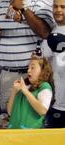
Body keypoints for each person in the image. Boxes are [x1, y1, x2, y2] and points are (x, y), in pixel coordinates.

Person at [0, 0, 54, 112]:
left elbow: (45, 32)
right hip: (7, 74)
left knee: (32, 114)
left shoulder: (39, 3)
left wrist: (23, 9)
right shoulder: (1, 4)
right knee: (8, 115)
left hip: (32, 74)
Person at [7, 55, 53, 129]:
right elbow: (10, 112)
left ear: (43, 70)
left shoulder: (45, 87)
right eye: (28, 68)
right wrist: (14, 91)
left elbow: (43, 111)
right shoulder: (24, 86)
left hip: (31, 136)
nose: (28, 70)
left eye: (32, 68)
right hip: (14, 134)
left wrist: (26, 92)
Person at [42, 0, 65, 128]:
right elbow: (46, 66)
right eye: (55, 6)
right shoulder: (51, 33)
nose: (58, 10)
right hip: (57, 104)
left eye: (63, 7)